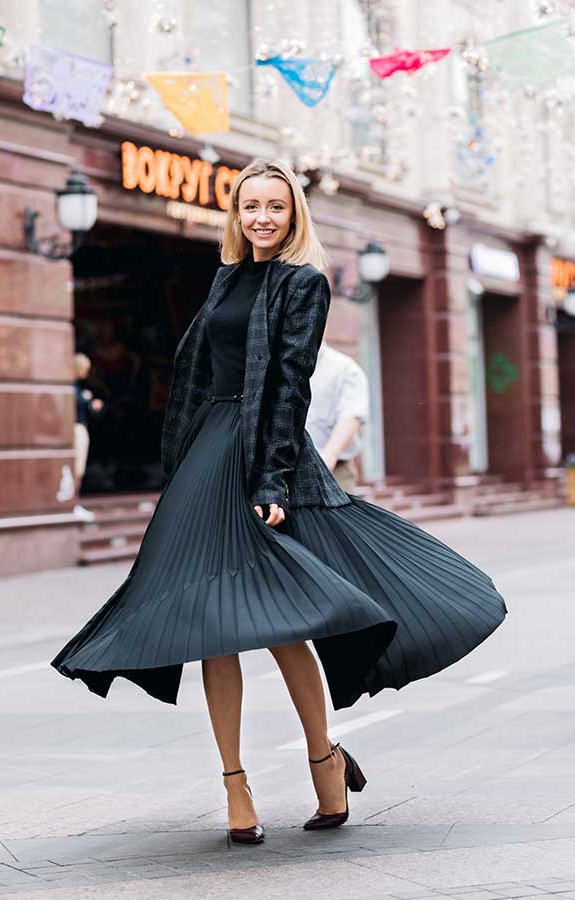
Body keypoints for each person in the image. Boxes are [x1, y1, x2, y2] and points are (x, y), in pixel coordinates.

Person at [51, 159, 506, 846]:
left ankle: (324, 759)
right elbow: (201, 377)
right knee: (211, 626)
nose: (263, 216)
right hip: (207, 454)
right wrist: (180, 470)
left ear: (294, 215)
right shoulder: (226, 278)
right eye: (251, 205)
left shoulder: (304, 283)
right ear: (237, 214)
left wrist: (272, 480)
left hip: (262, 452)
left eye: (276, 206)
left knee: (285, 617)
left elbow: (290, 384)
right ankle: (236, 786)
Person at [306, 340, 369, 492]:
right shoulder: (279, 365)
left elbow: (351, 417)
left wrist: (329, 457)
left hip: (334, 471)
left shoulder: (344, 368)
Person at [73, 353, 104, 521]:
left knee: (78, 468)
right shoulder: (73, 388)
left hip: (79, 427)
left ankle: (74, 502)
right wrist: (89, 403)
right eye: (85, 367)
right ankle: (73, 503)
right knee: (77, 468)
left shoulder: (77, 387)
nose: (88, 371)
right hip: (76, 429)